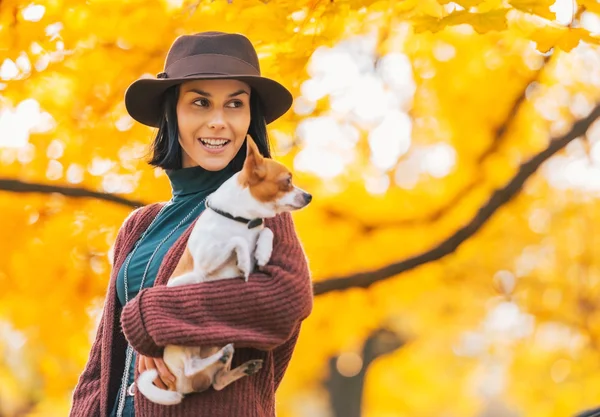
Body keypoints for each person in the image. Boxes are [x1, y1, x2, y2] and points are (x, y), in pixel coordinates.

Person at [69, 31, 313, 417]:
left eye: (235, 104)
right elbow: (101, 364)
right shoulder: (140, 225)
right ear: (173, 112)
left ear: (250, 118)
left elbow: (284, 301)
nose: (218, 121)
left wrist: (151, 316)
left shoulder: (260, 208)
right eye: (200, 102)